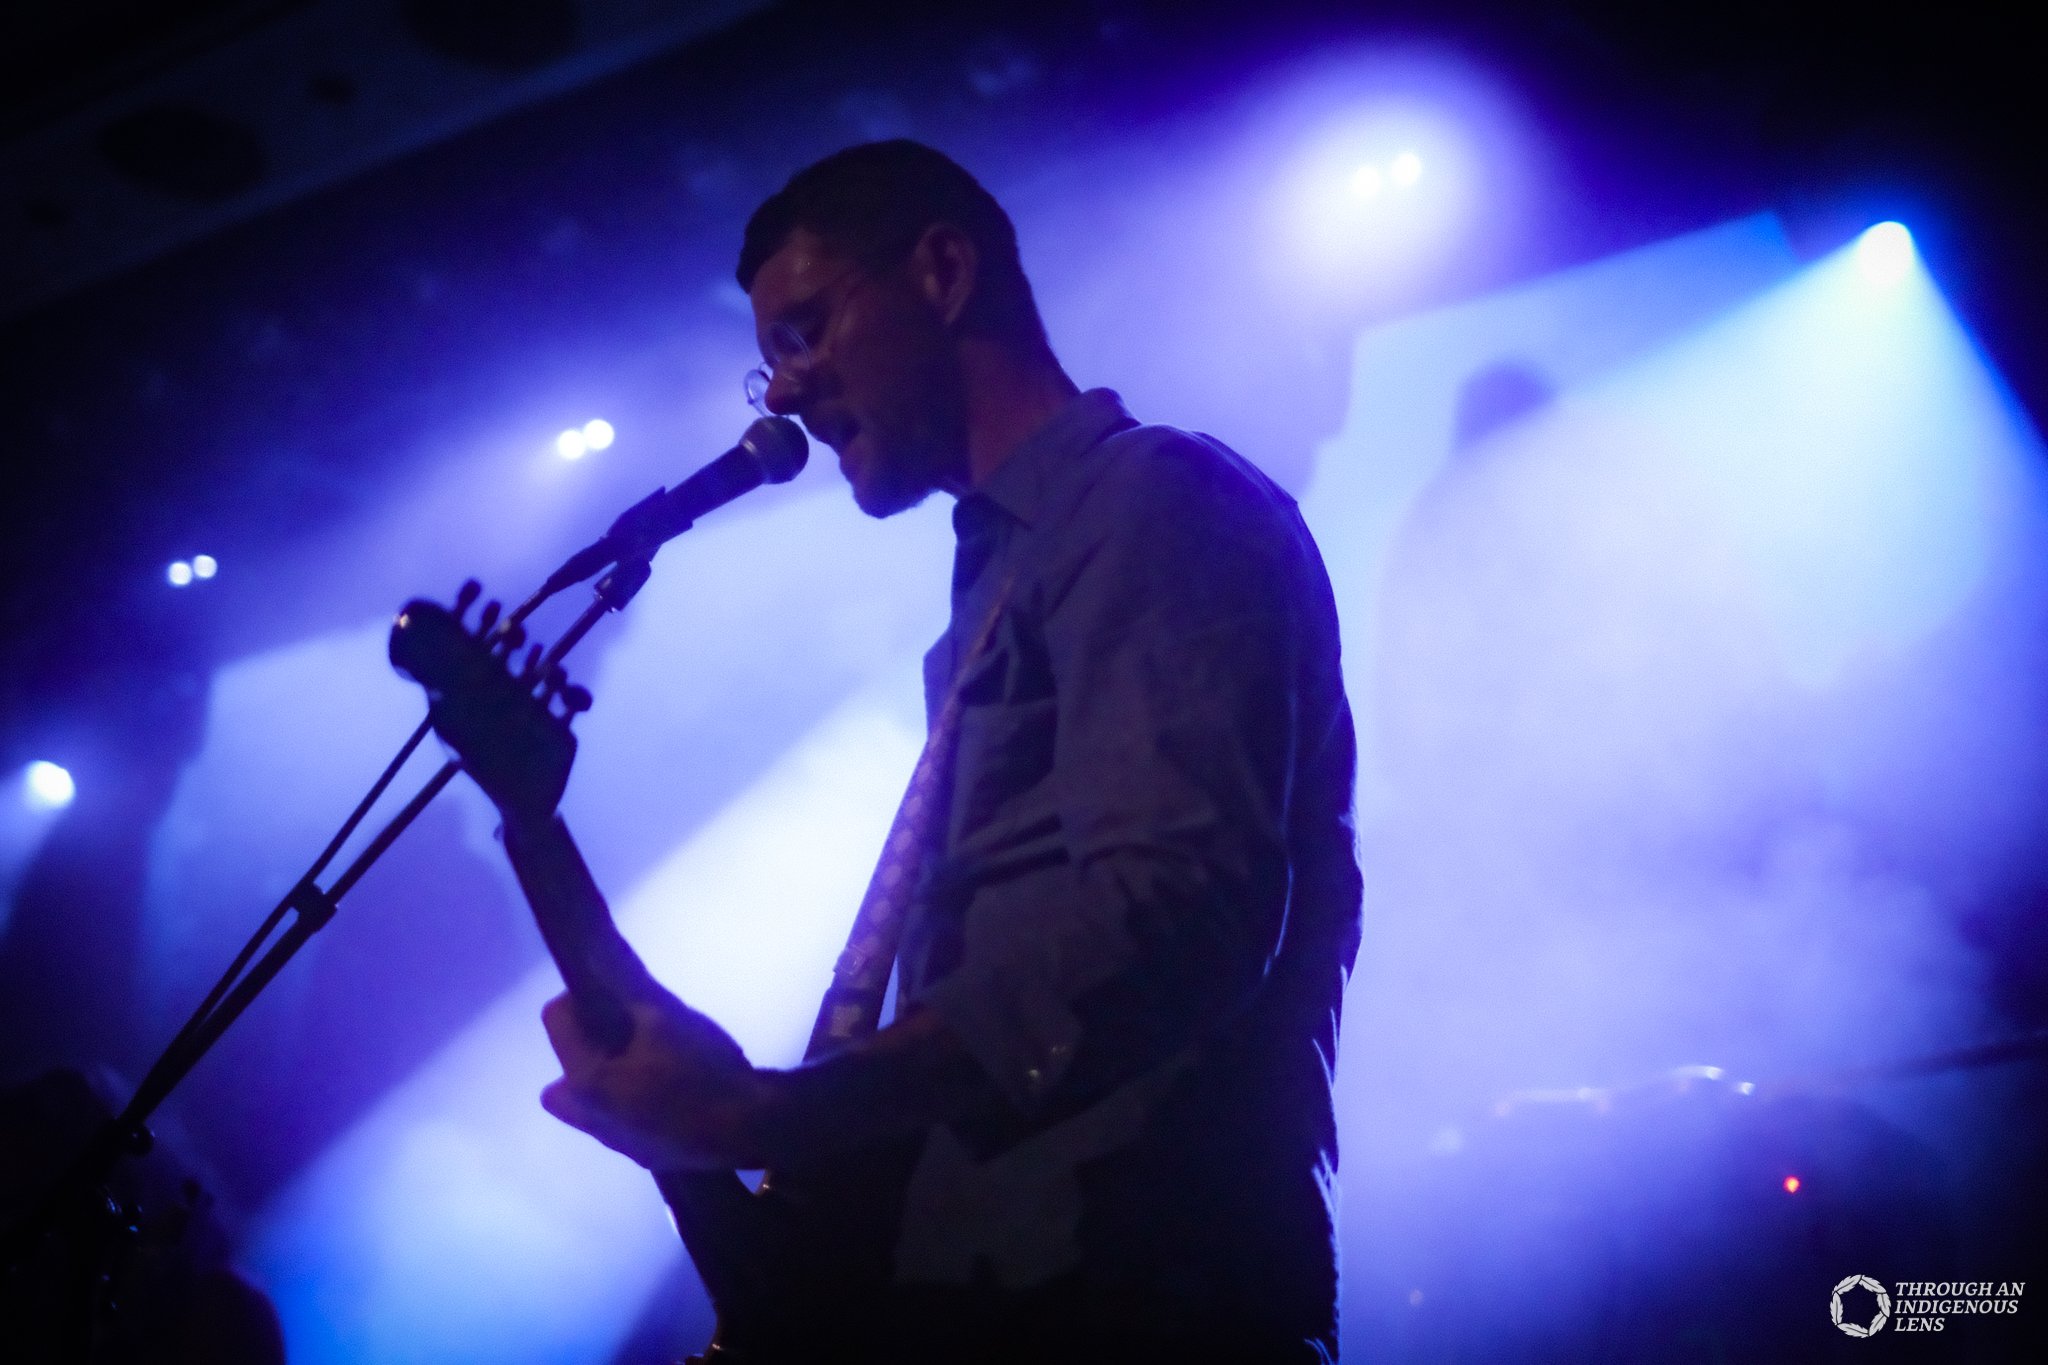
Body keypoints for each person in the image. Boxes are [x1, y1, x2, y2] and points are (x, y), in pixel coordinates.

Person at [529, 140, 1362, 1362]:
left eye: (806, 332)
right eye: (769, 360)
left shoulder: (1154, 499)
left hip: (1143, 1293)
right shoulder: (993, 591)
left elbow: (1177, 907)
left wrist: (783, 1112)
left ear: (941, 272)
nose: (783, 394)